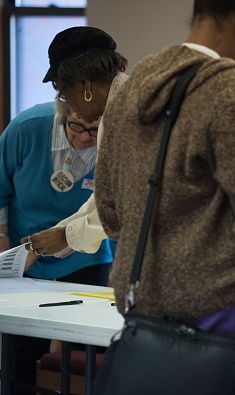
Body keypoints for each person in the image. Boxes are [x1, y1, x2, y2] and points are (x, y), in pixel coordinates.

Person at [94, 1, 235, 394]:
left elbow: (109, 208)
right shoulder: (231, 90)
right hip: (231, 307)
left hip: (147, 307)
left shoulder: (132, 88)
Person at [0, 100, 113, 395]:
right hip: (22, 250)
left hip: (84, 256)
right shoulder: (26, 128)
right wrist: (4, 240)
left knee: (82, 350)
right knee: (22, 348)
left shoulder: (115, 140)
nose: (86, 136)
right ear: (64, 114)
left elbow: (108, 208)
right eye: (77, 126)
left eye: (94, 129)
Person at [21, 26, 128, 258]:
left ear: (84, 85)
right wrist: (61, 232)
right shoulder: (117, 108)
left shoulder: (128, 113)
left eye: (62, 93)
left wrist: (65, 236)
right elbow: (105, 195)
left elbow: (123, 203)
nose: (66, 103)